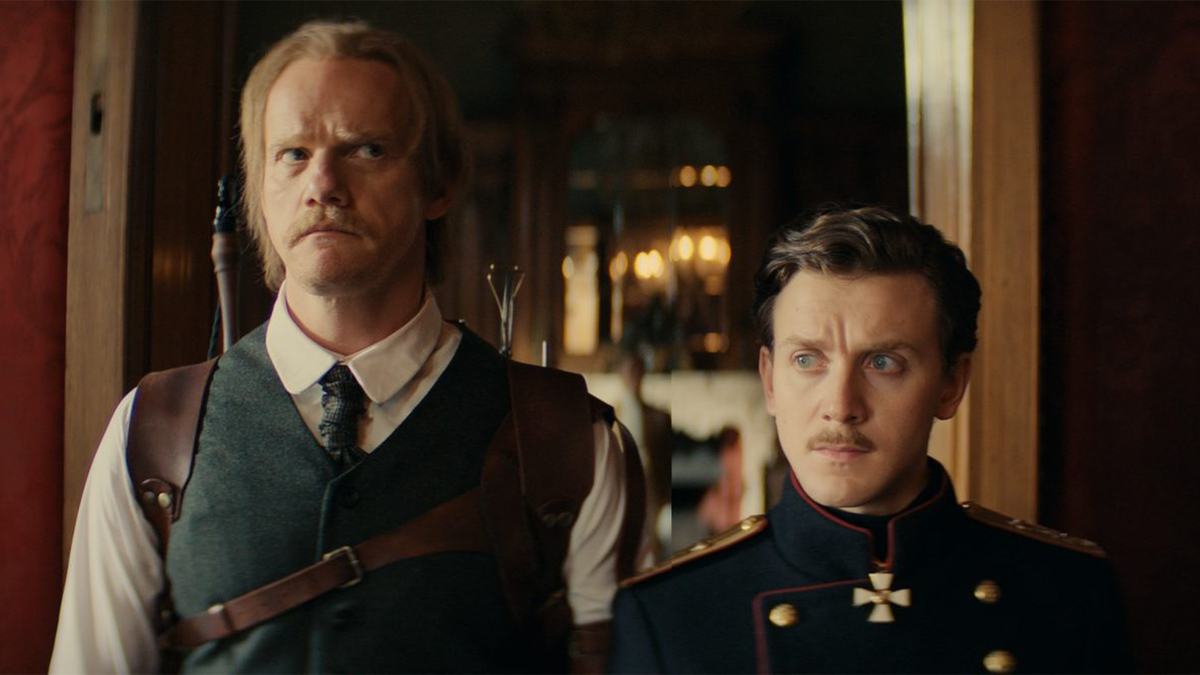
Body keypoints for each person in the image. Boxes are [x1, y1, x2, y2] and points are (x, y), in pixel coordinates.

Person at [51, 20, 640, 674]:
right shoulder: (153, 433)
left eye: (367, 149)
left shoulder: (566, 441)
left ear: (438, 184)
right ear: (259, 189)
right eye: (292, 153)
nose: (323, 183)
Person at [609, 207, 1129, 674]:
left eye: (883, 363)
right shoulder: (669, 612)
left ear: (951, 384)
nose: (841, 405)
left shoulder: (1068, 593)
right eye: (807, 360)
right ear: (769, 381)